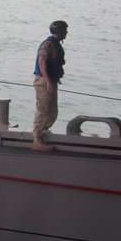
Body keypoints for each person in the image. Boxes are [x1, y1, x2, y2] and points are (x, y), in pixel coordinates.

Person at [32, 20, 68, 152]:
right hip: (43, 82)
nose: (67, 33)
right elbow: (42, 62)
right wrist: (48, 81)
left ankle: (42, 134)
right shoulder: (48, 44)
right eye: (65, 30)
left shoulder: (55, 44)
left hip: (50, 81)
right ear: (59, 31)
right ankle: (37, 139)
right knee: (43, 110)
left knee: (52, 112)